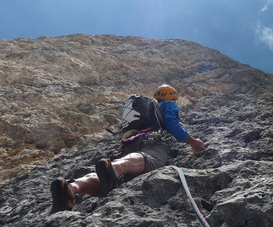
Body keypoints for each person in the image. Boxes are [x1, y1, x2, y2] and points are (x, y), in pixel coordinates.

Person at [50, 84, 205, 213]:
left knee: (108, 171)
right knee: (148, 158)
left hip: (130, 140)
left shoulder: (147, 110)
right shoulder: (168, 104)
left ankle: (72, 187)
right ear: (171, 95)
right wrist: (192, 142)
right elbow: (171, 123)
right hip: (154, 139)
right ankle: (114, 170)